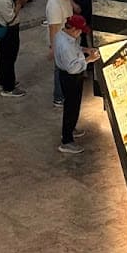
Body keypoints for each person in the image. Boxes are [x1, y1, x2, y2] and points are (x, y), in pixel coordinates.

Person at [54, 12, 98, 154]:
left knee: (74, 105)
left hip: (71, 76)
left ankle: (71, 128)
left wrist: (85, 50)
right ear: (73, 29)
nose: (80, 34)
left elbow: (76, 49)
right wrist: (89, 59)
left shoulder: (64, 36)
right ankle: (67, 141)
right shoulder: (65, 45)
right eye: (79, 31)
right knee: (71, 107)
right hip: (70, 77)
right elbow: (72, 68)